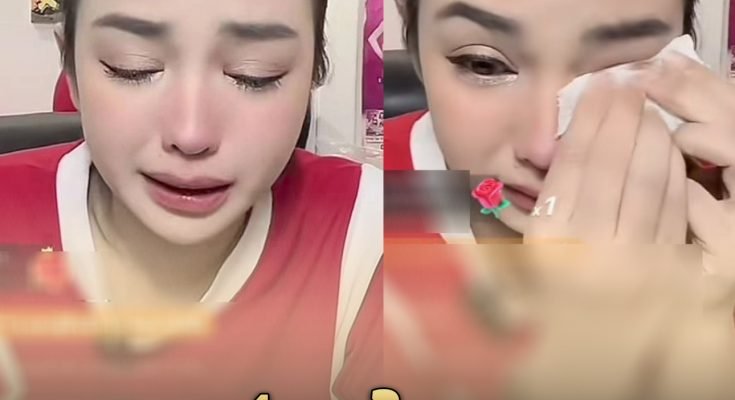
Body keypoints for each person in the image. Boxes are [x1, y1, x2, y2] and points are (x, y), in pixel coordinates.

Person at [0, 0, 382, 399]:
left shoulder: (374, 228)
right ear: (71, 69)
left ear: (312, 76)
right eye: (134, 67)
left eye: (254, 74)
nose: (191, 134)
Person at [383, 0, 735, 397]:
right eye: (484, 65)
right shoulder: (361, 212)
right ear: (413, 37)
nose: (543, 148)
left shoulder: (717, 199)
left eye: (619, 70)